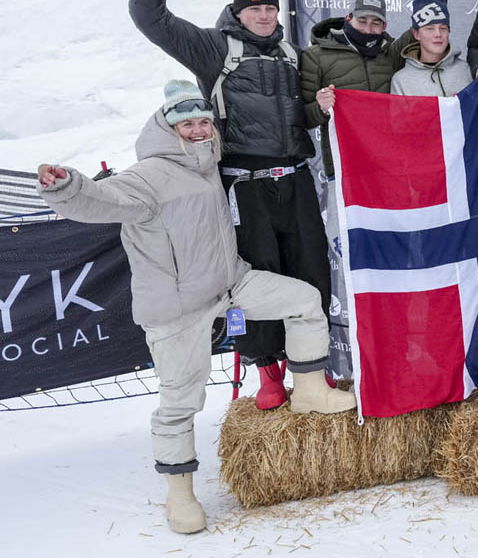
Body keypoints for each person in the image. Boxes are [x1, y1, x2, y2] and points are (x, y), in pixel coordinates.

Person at [36, 81, 355, 535]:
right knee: (181, 400)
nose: (199, 129)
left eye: (204, 120)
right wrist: (67, 186)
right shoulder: (147, 176)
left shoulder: (208, 165)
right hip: (177, 308)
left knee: (303, 301)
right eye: (187, 123)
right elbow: (100, 200)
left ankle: (309, 392)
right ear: (168, 129)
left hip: (230, 283)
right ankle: (179, 493)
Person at [128, 0, 329, 410]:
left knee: (311, 271)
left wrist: (320, 109)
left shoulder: (292, 54)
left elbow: (300, 116)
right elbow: (152, 19)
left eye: (270, 8)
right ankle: (268, 373)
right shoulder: (213, 48)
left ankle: (311, 377)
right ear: (238, 13)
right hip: (243, 187)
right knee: (253, 277)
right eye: (254, 8)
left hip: (295, 180)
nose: (263, 15)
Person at [302, 0, 452, 175]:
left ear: (384, 27)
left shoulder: (389, 54)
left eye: (376, 23)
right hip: (344, 169)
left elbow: (427, 18)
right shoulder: (316, 55)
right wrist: (322, 107)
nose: (368, 28)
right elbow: (304, 117)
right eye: (362, 21)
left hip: (388, 165)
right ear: (348, 18)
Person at [391, 0, 472, 96]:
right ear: (416, 34)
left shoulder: (467, 71)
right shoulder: (401, 81)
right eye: (430, 28)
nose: (438, 34)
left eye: (443, 28)